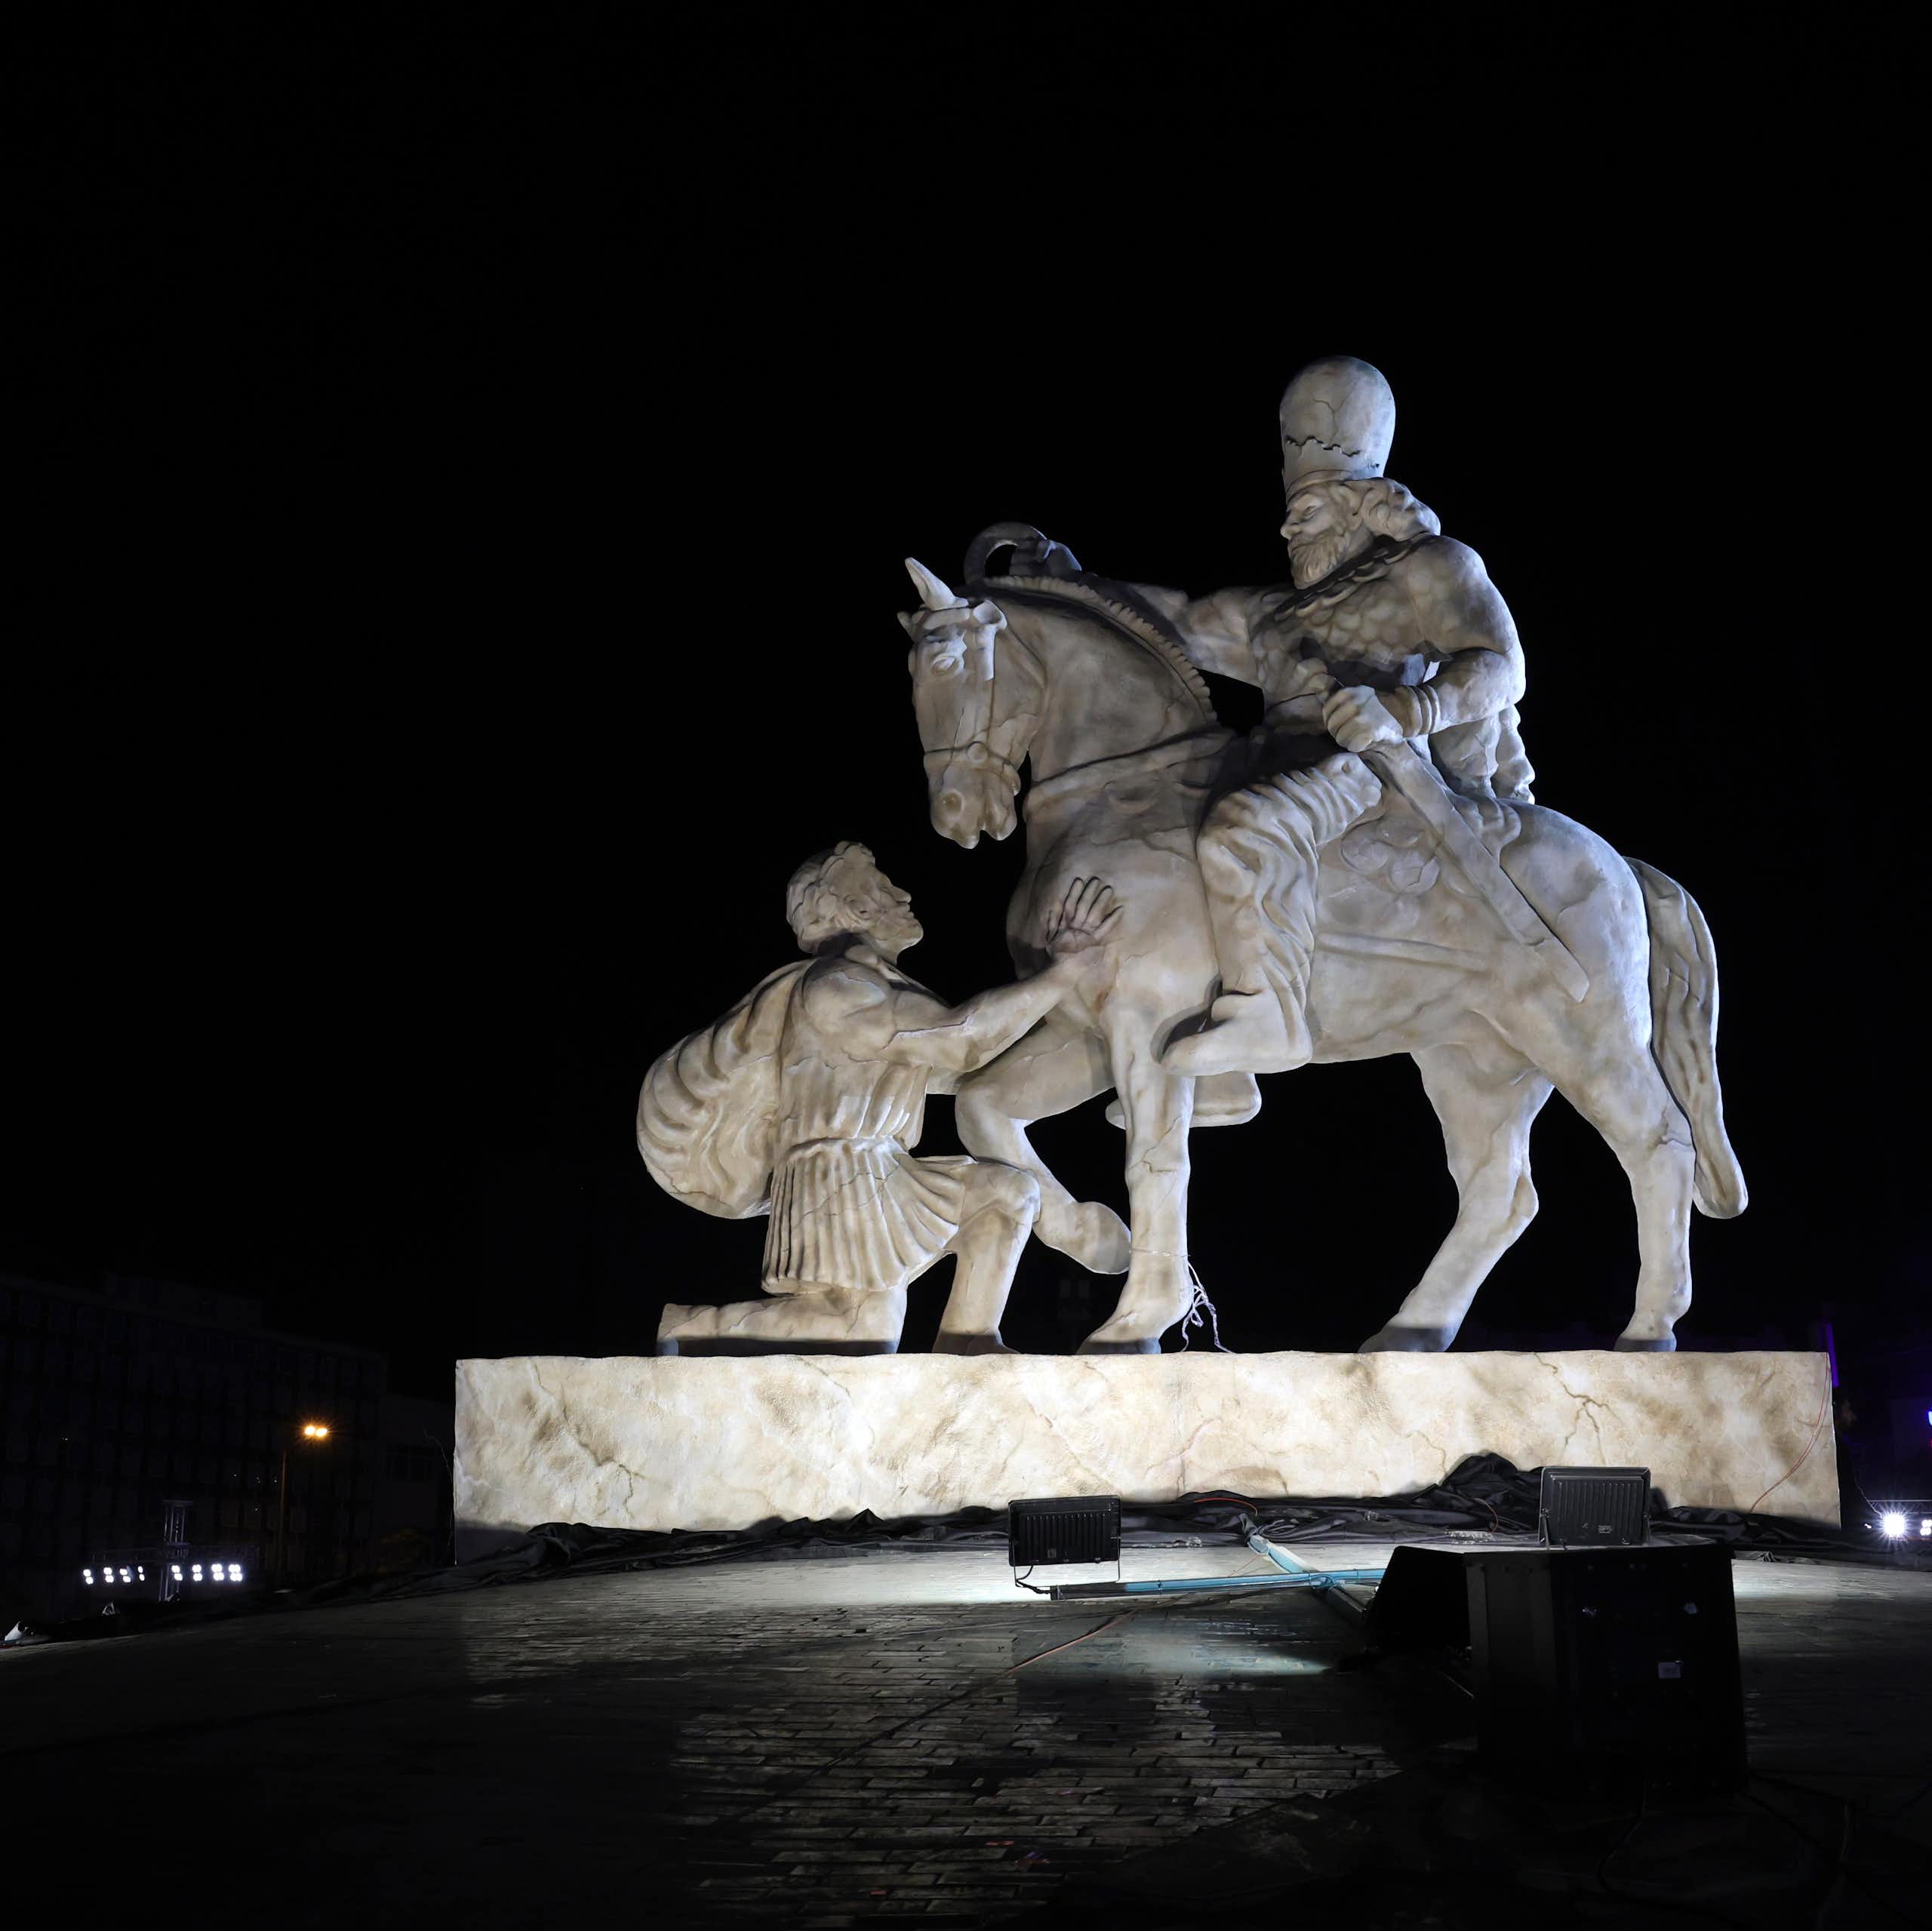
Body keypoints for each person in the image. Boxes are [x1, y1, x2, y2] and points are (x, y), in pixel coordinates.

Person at [1129, 357, 1537, 1078]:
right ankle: (1209, 1065)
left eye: (1309, 509)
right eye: (1291, 507)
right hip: (1270, 763)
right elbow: (1175, 620)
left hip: (1364, 768)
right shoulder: (1268, 611)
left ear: (1362, 504)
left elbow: (1502, 666)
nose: (1287, 525)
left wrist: (1404, 708)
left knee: (1240, 831)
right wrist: (1065, 582)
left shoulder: (1427, 569)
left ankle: (1270, 1016)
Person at [641, 844, 1119, 1353]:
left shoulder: (879, 983)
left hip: (885, 1167)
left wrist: (1090, 1057)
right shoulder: (835, 989)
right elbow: (962, 1040)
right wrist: (1065, 972)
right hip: (837, 1174)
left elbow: (975, 1066)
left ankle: (967, 1343)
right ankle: (690, 1326)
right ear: (850, 908)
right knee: (864, 1331)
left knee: (1007, 1196)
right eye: (878, 883)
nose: (901, 894)